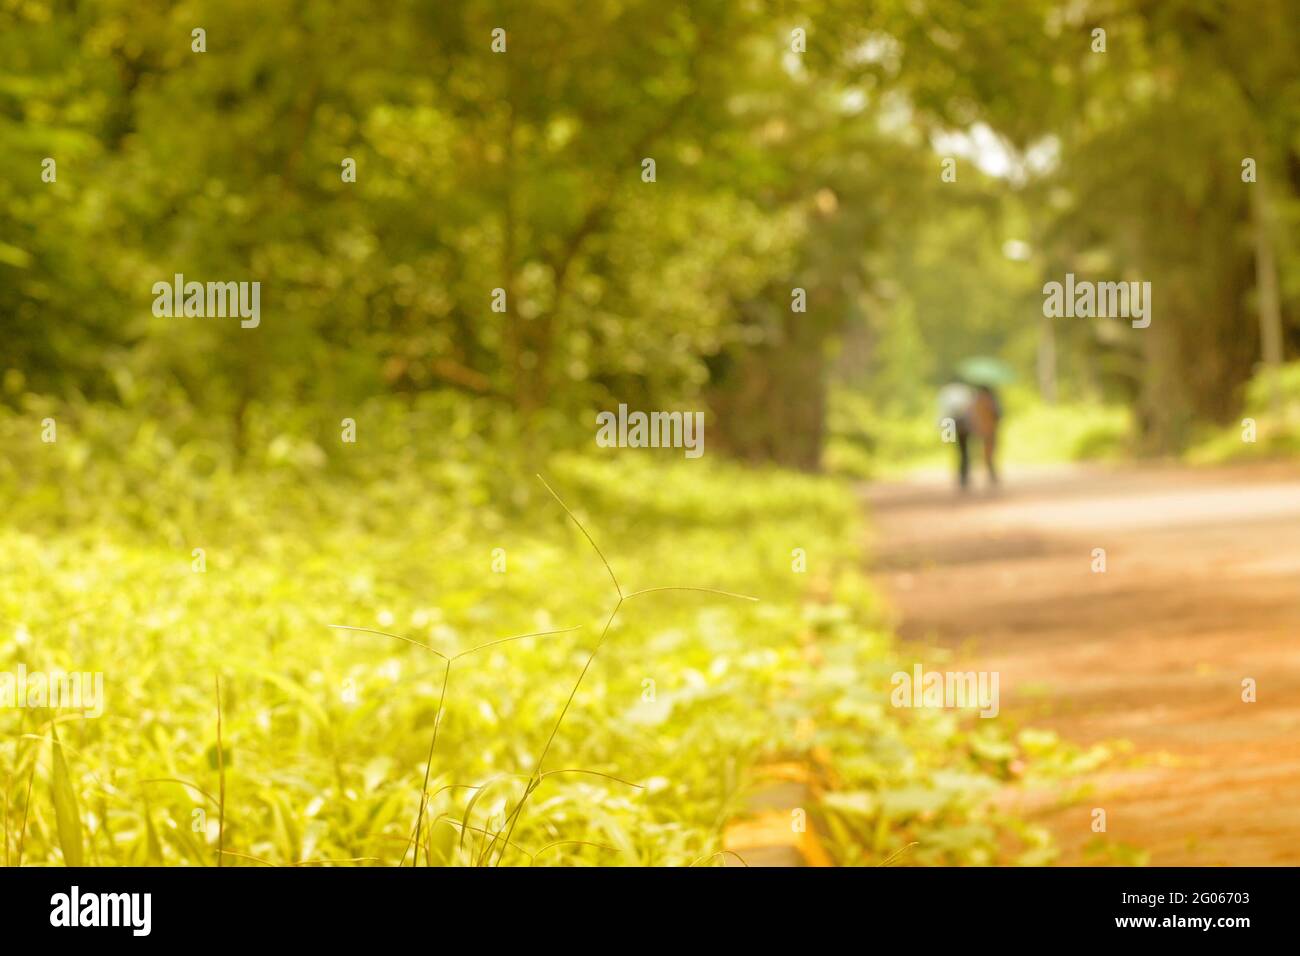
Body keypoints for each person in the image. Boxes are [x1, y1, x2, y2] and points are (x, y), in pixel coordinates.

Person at [938, 380, 1002, 490]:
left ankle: (963, 474)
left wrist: (942, 426)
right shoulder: (967, 392)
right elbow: (972, 411)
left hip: (951, 423)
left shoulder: (946, 392)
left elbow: (942, 412)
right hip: (964, 424)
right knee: (966, 450)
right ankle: (965, 473)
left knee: (959, 449)